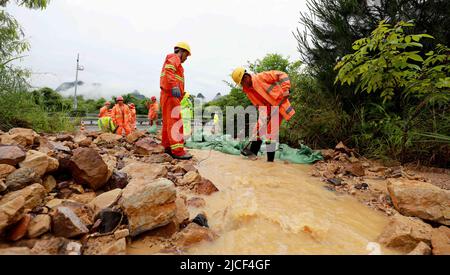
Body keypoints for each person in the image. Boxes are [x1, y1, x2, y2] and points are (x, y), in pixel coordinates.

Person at [231, 67, 296, 162]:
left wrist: (286, 88)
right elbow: (258, 104)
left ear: (246, 77)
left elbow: (282, 74)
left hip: (278, 106)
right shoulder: (248, 90)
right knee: (257, 130)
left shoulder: (261, 77)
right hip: (265, 111)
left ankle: (270, 161)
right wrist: (265, 116)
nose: (242, 85)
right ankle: (252, 154)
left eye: (241, 83)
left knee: (271, 133)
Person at [159, 42, 193, 160]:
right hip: (171, 95)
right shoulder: (174, 58)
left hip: (167, 95)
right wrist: (174, 86)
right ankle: (178, 151)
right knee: (175, 122)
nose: (186, 59)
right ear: (182, 52)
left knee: (168, 122)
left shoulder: (174, 61)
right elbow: (169, 71)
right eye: (186, 56)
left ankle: (167, 147)